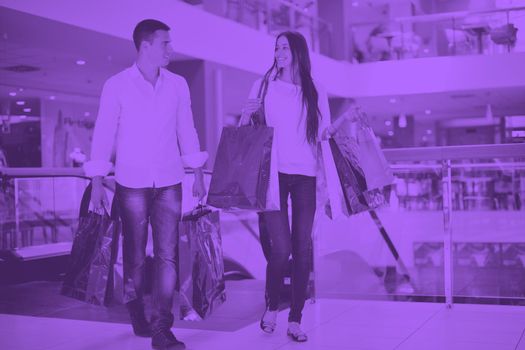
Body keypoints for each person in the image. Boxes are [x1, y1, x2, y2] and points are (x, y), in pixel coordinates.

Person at [84, 19, 207, 350]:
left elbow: (187, 129)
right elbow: (104, 133)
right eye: (165, 43)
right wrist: (97, 179)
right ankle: (137, 308)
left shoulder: (178, 85)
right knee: (136, 256)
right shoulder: (117, 85)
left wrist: (196, 171)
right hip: (131, 183)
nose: (171, 49)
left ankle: (161, 328)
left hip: (170, 180)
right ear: (145, 46)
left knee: (168, 256)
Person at [240, 31, 356, 342]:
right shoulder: (263, 85)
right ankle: (270, 307)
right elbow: (248, 131)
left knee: (302, 249)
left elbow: (321, 135)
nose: (279, 52)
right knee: (281, 250)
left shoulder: (315, 89)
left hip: (306, 174)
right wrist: (246, 115)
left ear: (298, 53)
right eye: (276, 47)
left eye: (285, 48)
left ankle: (295, 319)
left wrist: (341, 123)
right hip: (273, 175)